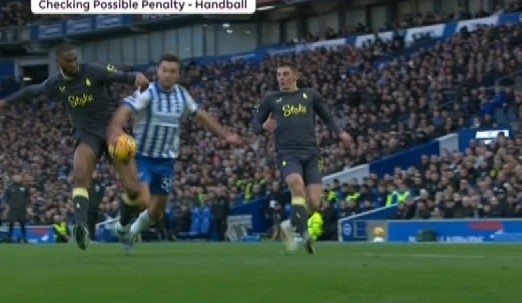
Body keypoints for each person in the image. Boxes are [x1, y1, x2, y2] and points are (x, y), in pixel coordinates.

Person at [0, 43, 150, 251]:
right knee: (80, 173)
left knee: (133, 190)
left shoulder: (93, 71)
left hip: (112, 132)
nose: (73, 63)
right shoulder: (56, 83)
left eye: (74, 59)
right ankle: (81, 226)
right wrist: (5, 103)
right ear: (59, 62)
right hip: (86, 133)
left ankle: (123, 226)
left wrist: (137, 76)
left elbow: (121, 76)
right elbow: (31, 91)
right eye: (68, 60)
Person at [107, 53, 241, 251]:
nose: (167, 75)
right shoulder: (148, 92)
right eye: (164, 70)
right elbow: (125, 109)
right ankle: (122, 225)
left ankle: (130, 232)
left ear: (178, 75)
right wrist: (116, 128)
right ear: (158, 72)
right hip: (143, 156)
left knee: (156, 213)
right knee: (143, 200)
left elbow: (201, 116)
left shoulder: (181, 95)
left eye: (172, 71)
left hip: (167, 161)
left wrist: (225, 135)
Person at [254, 62, 352, 254]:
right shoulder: (271, 99)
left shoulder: (310, 95)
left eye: (285, 74)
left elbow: (328, 118)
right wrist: (263, 127)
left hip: (312, 153)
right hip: (287, 153)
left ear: (295, 75)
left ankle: (289, 225)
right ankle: (304, 233)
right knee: (297, 186)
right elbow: (255, 123)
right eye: (279, 75)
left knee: (315, 203)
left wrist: (340, 133)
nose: (281, 78)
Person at [4, 175, 30, 243]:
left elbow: (28, 196)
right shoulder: (10, 187)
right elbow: (6, 197)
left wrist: (25, 204)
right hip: (13, 209)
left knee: (23, 224)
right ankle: (9, 238)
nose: (17, 179)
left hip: (22, 209)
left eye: (18, 178)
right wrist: (9, 204)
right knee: (11, 223)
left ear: (20, 178)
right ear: (13, 179)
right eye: (16, 178)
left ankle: (25, 239)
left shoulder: (24, 187)